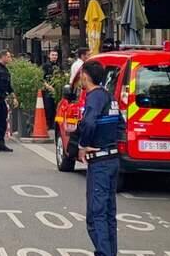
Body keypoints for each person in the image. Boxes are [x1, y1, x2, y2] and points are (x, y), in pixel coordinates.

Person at [76, 60, 124, 256]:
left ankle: (104, 253)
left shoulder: (94, 97)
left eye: (80, 74)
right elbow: (121, 125)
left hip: (100, 162)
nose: (79, 78)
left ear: (85, 75)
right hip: (112, 160)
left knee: (95, 216)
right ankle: (111, 252)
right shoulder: (109, 97)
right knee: (108, 214)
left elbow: (88, 122)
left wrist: (83, 145)